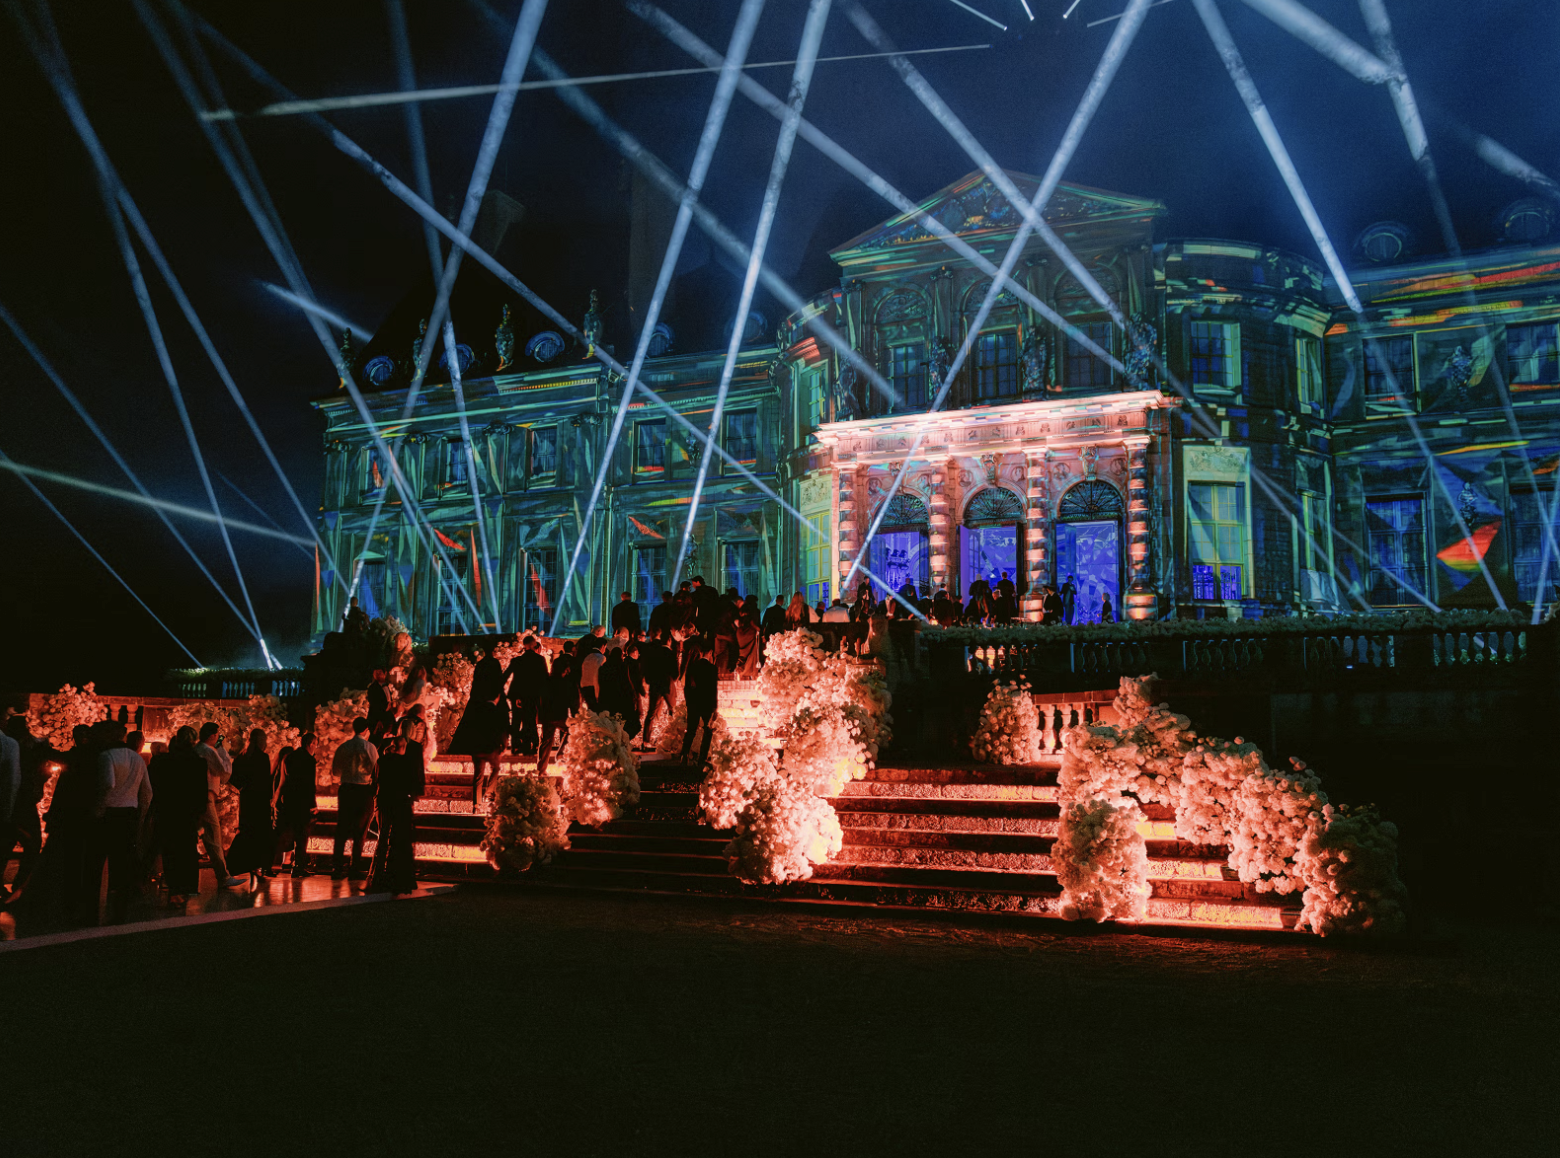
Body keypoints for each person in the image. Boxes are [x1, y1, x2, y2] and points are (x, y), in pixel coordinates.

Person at [90, 725, 152, 922]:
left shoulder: (106, 756)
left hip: (109, 812)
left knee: (97, 859)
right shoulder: (137, 758)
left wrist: (98, 808)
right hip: (129, 813)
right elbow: (147, 791)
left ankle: (93, 906)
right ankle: (120, 907)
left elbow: (107, 783)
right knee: (122, 860)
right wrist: (141, 814)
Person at [147, 727, 207, 904]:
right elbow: (201, 792)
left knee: (170, 850)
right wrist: (199, 814)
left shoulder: (162, 761)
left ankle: (174, 889)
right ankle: (187, 888)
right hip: (188, 813)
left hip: (167, 810)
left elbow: (154, 786)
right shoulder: (198, 762)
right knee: (187, 850)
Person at [450, 645, 508, 809]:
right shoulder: (495, 710)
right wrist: (503, 744)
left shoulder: (477, 708)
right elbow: (500, 726)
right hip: (490, 748)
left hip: (477, 748)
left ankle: (477, 804)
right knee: (496, 768)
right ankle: (488, 793)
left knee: (478, 775)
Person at [374, 717, 425, 895]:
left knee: (384, 837)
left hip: (385, 801)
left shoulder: (384, 760)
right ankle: (400, 877)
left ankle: (378, 874)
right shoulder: (409, 758)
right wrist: (416, 793)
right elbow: (416, 774)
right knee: (400, 838)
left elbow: (377, 779)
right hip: (401, 802)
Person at [195, 724, 246, 890]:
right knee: (214, 836)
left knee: (208, 836)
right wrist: (222, 751)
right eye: (217, 736)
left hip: (199, 796)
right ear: (212, 736)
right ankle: (223, 876)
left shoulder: (198, 749)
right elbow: (224, 772)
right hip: (206, 796)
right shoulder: (208, 751)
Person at [225, 729, 276, 889]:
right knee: (261, 834)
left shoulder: (243, 756)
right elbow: (266, 782)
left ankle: (236, 865)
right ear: (261, 741)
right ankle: (256, 866)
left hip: (247, 801)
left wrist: (244, 788)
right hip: (259, 802)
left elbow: (233, 779)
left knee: (247, 831)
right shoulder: (263, 757)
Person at [330, 717, 378, 880]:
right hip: (363, 789)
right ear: (366, 730)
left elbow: (335, 771)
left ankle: (336, 867)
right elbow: (375, 769)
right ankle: (354, 867)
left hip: (346, 789)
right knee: (360, 830)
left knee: (342, 828)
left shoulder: (344, 747)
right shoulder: (370, 747)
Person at [276, 734, 319, 877]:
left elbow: (283, 780)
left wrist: (277, 799)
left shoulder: (288, 758)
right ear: (311, 743)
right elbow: (310, 784)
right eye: (315, 744)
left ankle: (289, 863)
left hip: (289, 799)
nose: (316, 748)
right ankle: (298, 866)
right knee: (302, 835)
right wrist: (313, 804)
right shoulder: (309, 760)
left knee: (292, 831)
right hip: (303, 801)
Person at [502, 635, 549, 756]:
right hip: (532, 694)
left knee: (516, 720)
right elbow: (544, 679)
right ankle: (530, 744)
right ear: (534, 645)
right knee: (530, 719)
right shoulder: (539, 660)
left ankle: (515, 745)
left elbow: (505, 677)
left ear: (524, 646)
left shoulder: (517, 661)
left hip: (517, 694)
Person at [679, 641, 719, 771]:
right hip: (706, 704)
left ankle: (684, 755)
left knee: (691, 730)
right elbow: (714, 690)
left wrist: (689, 702)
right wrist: (715, 708)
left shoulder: (693, 667)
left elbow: (687, 688)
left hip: (694, 703)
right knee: (707, 731)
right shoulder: (712, 669)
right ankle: (701, 759)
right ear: (710, 653)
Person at [535, 662, 575, 779]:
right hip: (560, 715)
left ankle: (541, 770)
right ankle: (561, 752)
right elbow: (569, 700)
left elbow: (540, 698)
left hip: (548, 715)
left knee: (546, 742)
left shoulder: (546, 680)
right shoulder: (565, 682)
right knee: (572, 730)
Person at [639, 632, 677, 750]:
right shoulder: (671, 654)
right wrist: (671, 680)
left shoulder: (653, 653)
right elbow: (676, 673)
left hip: (655, 686)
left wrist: (650, 681)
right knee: (673, 711)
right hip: (667, 685)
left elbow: (646, 670)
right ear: (669, 641)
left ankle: (645, 741)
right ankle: (674, 740)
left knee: (651, 713)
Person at [578, 639, 606, 711]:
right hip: (594, 687)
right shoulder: (601, 657)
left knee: (590, 710)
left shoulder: (588, 657)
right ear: (603, 646)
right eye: (605, 647)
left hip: (584, 686)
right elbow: (598, 674)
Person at [366, 669, 394, 736]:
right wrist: (379, 719)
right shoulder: (373, 688)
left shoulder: (386, 686)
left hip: (386, 718)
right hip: (377, 719)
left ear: (385, 674)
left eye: (380, 672)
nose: (378, 674)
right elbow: (374, 705)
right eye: (376, 673)